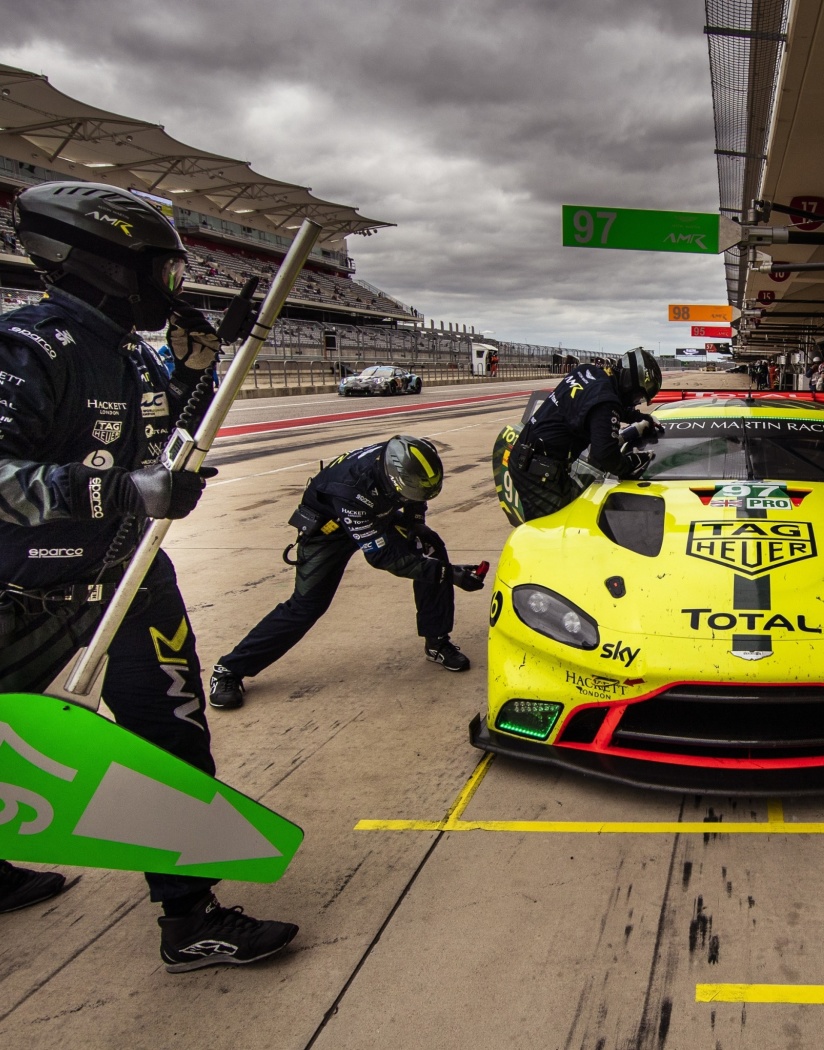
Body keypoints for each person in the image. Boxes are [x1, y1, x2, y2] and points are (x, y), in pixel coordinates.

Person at [0, 181, 298, 969]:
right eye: (164, 272)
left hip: (130, 575)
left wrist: (212, 363)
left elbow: (172, 438)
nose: (173, 290)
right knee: (11, 744)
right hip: (22, 591)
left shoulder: (128, 351)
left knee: (170, 736)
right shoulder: (28, 346)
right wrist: (120, 490)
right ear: (103, 262)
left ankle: (189, 914)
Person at [209, 435, 485, 708]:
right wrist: (448, 575)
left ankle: (436, 640)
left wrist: (415, 522)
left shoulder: (411, 457)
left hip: (376, 515)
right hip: (329, 530)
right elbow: (382, 556)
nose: (413, 497)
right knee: (306, 606)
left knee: (430, 547)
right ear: (391, 480)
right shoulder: (350, 488)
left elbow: (416, 494)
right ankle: (229, 669)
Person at [504, 349, 662, 522]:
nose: (636, 401)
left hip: (527, 457)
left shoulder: (588, 372)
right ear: (629, 382)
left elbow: (596, 405)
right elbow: (606, 455)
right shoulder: (607, 402)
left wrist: (640, 417)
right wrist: (632, 464)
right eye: (638, 397)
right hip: (538, 473)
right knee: (557, 530)